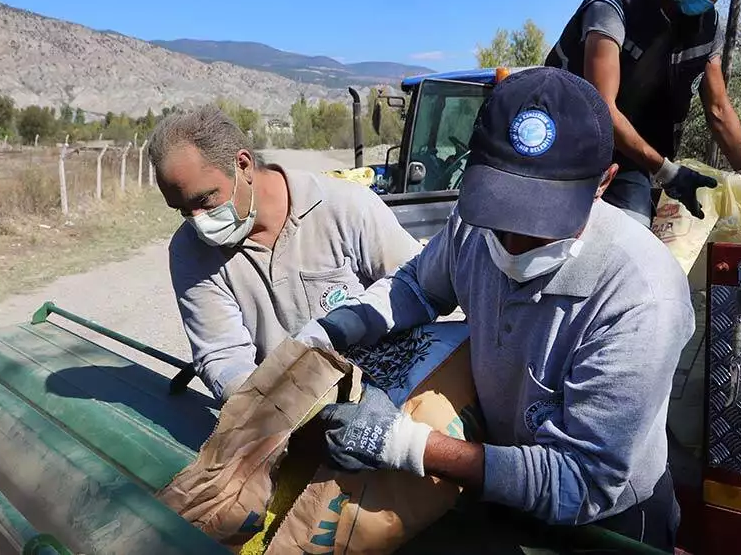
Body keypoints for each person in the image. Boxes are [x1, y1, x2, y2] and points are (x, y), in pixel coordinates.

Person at [294, 68, 693, 551]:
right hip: (499, 479)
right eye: (501, 212)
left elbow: (581, 481)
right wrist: (341, 327)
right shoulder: (472, 225)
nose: (513, 243)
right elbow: (420, 285)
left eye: (541, 221)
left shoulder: (639, 296)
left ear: (603, 183)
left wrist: (405, 444)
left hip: (606, 524)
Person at [148, 105, 422, 402]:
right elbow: (222, 356)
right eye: (183, 210)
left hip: (390, 390)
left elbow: (416, 287)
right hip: (287, 407)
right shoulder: (189, 250)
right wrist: (267, 407)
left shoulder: (345, 207)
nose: (198, 219)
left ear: (243, 165)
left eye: (204, 199)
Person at [545, 0, 741, 225]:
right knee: (559, 239)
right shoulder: (614, 7)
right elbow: (601, 108)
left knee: (633, 240)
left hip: (629, 158)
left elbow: (718, 108)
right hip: (566, 148)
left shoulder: (709, 26)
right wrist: (665, 171)